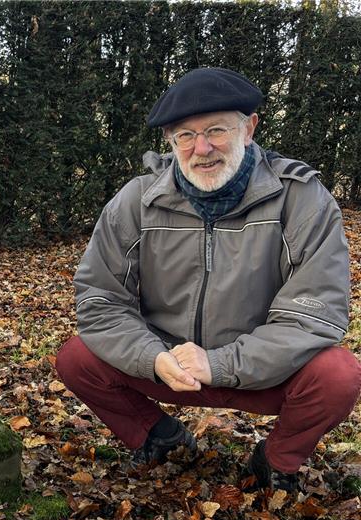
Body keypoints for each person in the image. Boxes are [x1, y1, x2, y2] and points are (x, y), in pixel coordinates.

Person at [55, 67, 361, 493]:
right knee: (76, 359)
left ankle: (275, 460)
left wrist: (219, 364)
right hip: (167, 364)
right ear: (170, 141)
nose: (201, 148)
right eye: (184, 135)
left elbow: (314, 314)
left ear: (249, 127)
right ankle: (159, 437)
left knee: (337, 375)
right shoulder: (136, 202)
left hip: (262, 373)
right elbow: (101, 300)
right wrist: (152, 358)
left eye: (216, 130)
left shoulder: (302, 198)